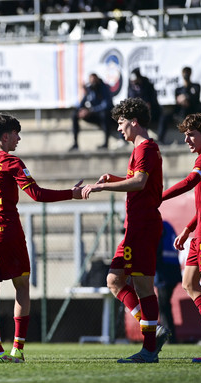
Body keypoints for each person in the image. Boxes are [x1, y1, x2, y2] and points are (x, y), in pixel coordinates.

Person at [0, 113, 83, 364]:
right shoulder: (12, 162)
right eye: (16, 134)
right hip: (7, 233)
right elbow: (37, 194)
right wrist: (71, 194)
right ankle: (17, 349)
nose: (19, 139)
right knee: (22, 286)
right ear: (6, 135)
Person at [82, 98, 171, 363]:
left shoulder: (145, 148)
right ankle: (153, 331)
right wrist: (114, 178)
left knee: (143, 285)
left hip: (143, 225)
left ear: (133, 121)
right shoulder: (141, 149)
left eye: (121, 123)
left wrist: (102, 187)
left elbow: (140, 182)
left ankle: (149, 348)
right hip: (135, 225)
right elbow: (137, 181)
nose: (119, 129)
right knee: (114, 280)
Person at [159, 113, 201, 362]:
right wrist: (187, 230)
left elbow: (190, 182)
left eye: (191, 134)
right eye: (185, 134)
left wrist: (160, 196)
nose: (186, 139)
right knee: (189, 283)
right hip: (198, 235)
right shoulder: (200, 158)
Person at [70, 73, 115, 150]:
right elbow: (82, 103)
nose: (93, 83)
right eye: (91, 81)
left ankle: (105, 144)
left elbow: (106, 104)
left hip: (105, 115)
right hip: (93, 114)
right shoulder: (89, 89)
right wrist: (81, 110)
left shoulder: (104, 88)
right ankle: (75, 143)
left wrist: (91, 110)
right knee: (74, 114)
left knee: (104, 115)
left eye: (94, 80)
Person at [158, 67, 201, 144]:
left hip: (192, 112)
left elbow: (195, 98)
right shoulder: (178, 89)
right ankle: (160, 140)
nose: (186, 75)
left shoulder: (196, 86)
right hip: (180, 114)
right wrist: (183, 99)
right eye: (185, 73)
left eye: (188, 73)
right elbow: (178, 100)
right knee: (164, 117)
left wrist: (186, 97)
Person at [154, 220, 182, 344]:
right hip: (172, 268)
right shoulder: (167, 225)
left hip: (164, 270)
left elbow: (157, 247)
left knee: (163, 305)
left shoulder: (158, 225)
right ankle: (169, 335)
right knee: (165, 304)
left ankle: (167, 336)